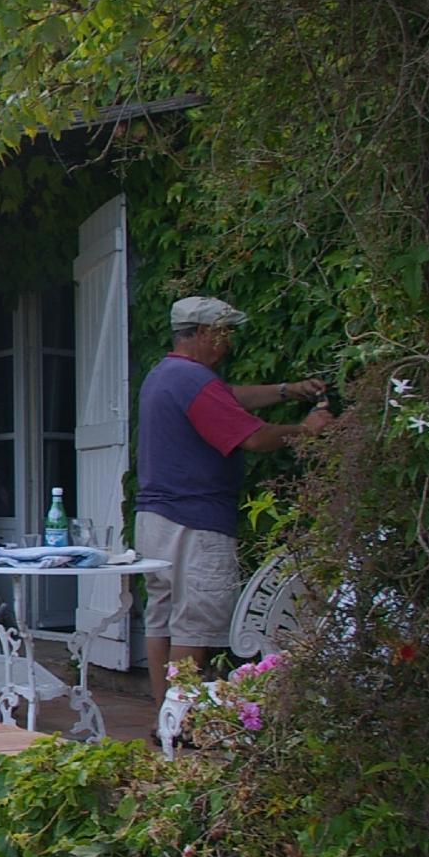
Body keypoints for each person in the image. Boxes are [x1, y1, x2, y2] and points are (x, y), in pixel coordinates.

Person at [136, 296, 334, 701]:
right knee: (193, 626)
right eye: (225, 333)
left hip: (156, 520)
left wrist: (286, 390)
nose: (229, 343)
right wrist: (307, 429)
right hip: (195, 521)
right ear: (205, 333)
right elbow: (254, 437)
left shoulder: (165, 375)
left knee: (162, 619)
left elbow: (226, 398)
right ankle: (185, 721)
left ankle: (165, 718)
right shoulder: (194, 382)